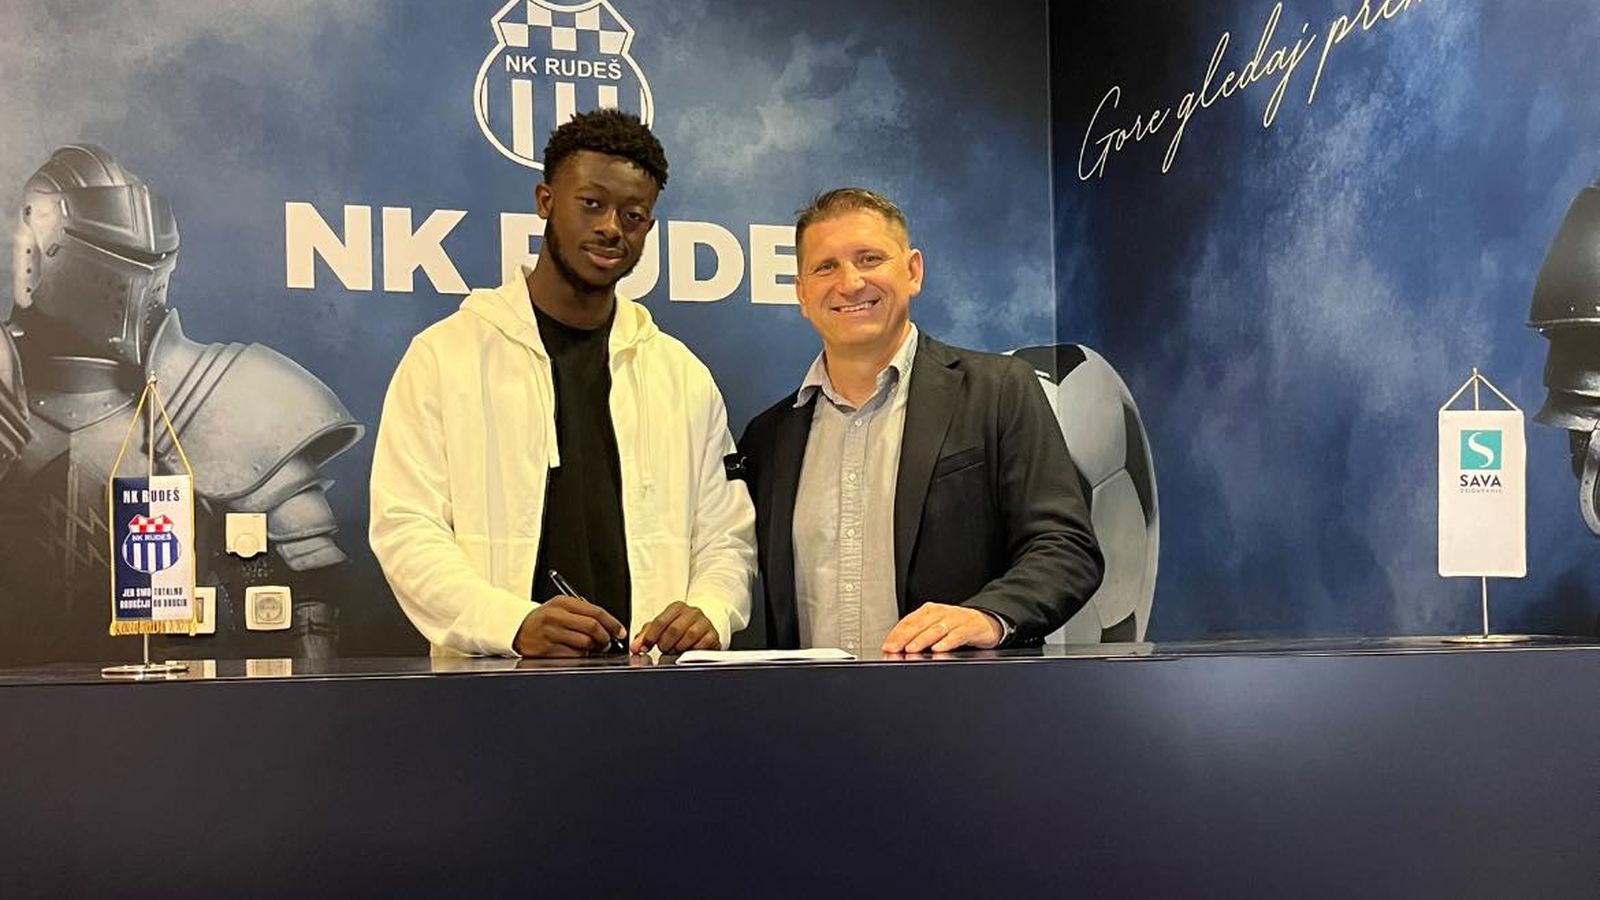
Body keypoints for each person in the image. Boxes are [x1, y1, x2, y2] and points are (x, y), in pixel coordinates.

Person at [370, 109, 755, 658]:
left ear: (648, 228)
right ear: (546, 202)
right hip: (493, 683)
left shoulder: (681, 374)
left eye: (633, 214)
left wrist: (710, 609)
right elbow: (406, 528)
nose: (611, 228)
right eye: (591, 203)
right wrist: (512, 624)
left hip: (653, 688)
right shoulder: (445, 357)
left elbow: (727, 537)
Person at [739, 188, 1103, 654]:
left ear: (912, 271)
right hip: (809, 702)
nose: (850, 283)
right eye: (825, 267)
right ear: (801, 294)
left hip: (962, 696)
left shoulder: (998, 391)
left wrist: (988, 616)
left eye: (869, 259)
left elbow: (1066, 547)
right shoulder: (768, 438)